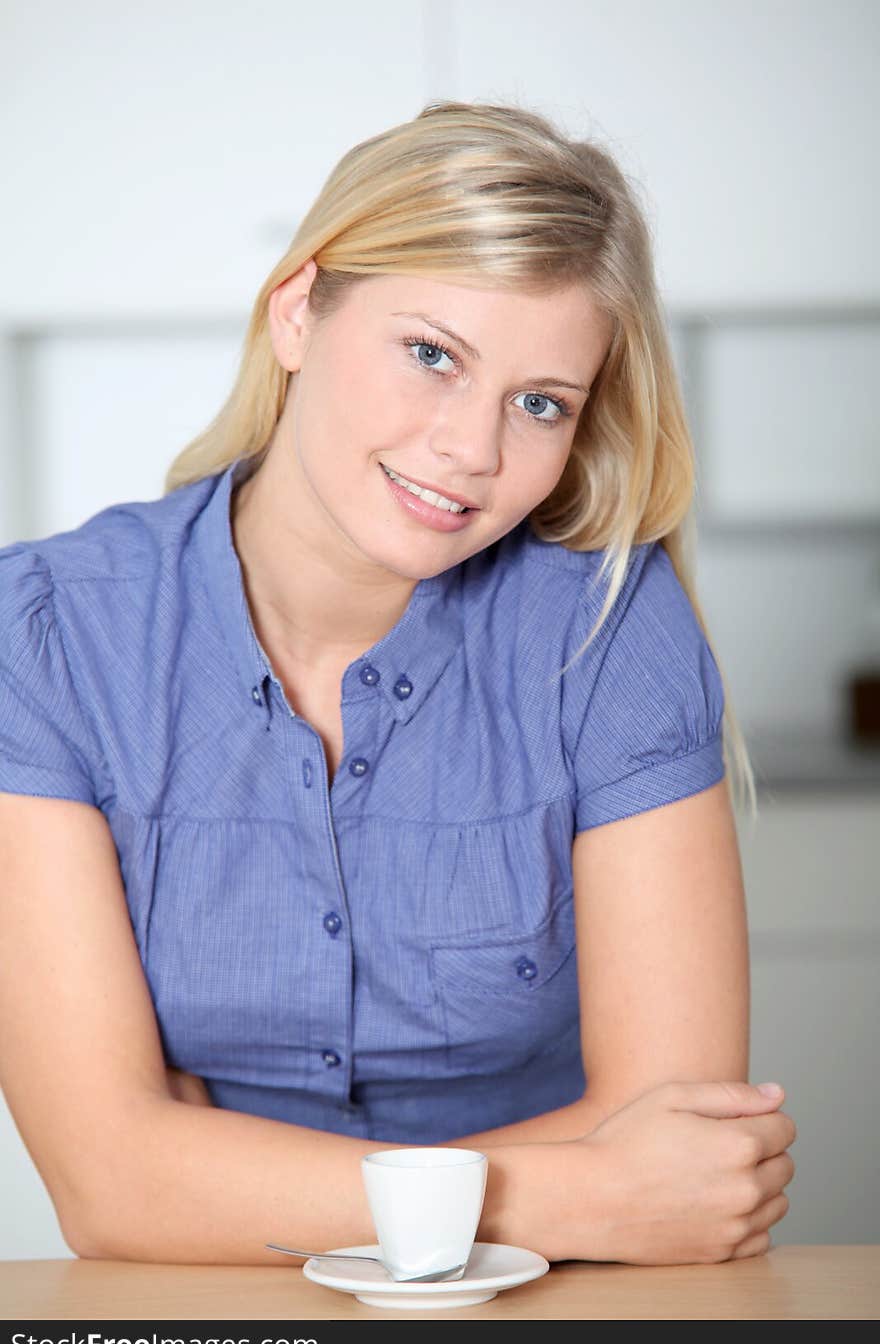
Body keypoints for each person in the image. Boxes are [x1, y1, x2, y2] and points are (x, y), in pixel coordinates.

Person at [0, 100, 795, 1268]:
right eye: (432, 354)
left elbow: (678, 1137)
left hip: (561, 1308)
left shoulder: (610, 629)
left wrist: (219, 1181)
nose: (472, 449)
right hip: (221, 1318)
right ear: (296, 313)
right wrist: (575, 1192)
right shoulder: (53, 637)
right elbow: (114, 1186)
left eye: (540, 403)